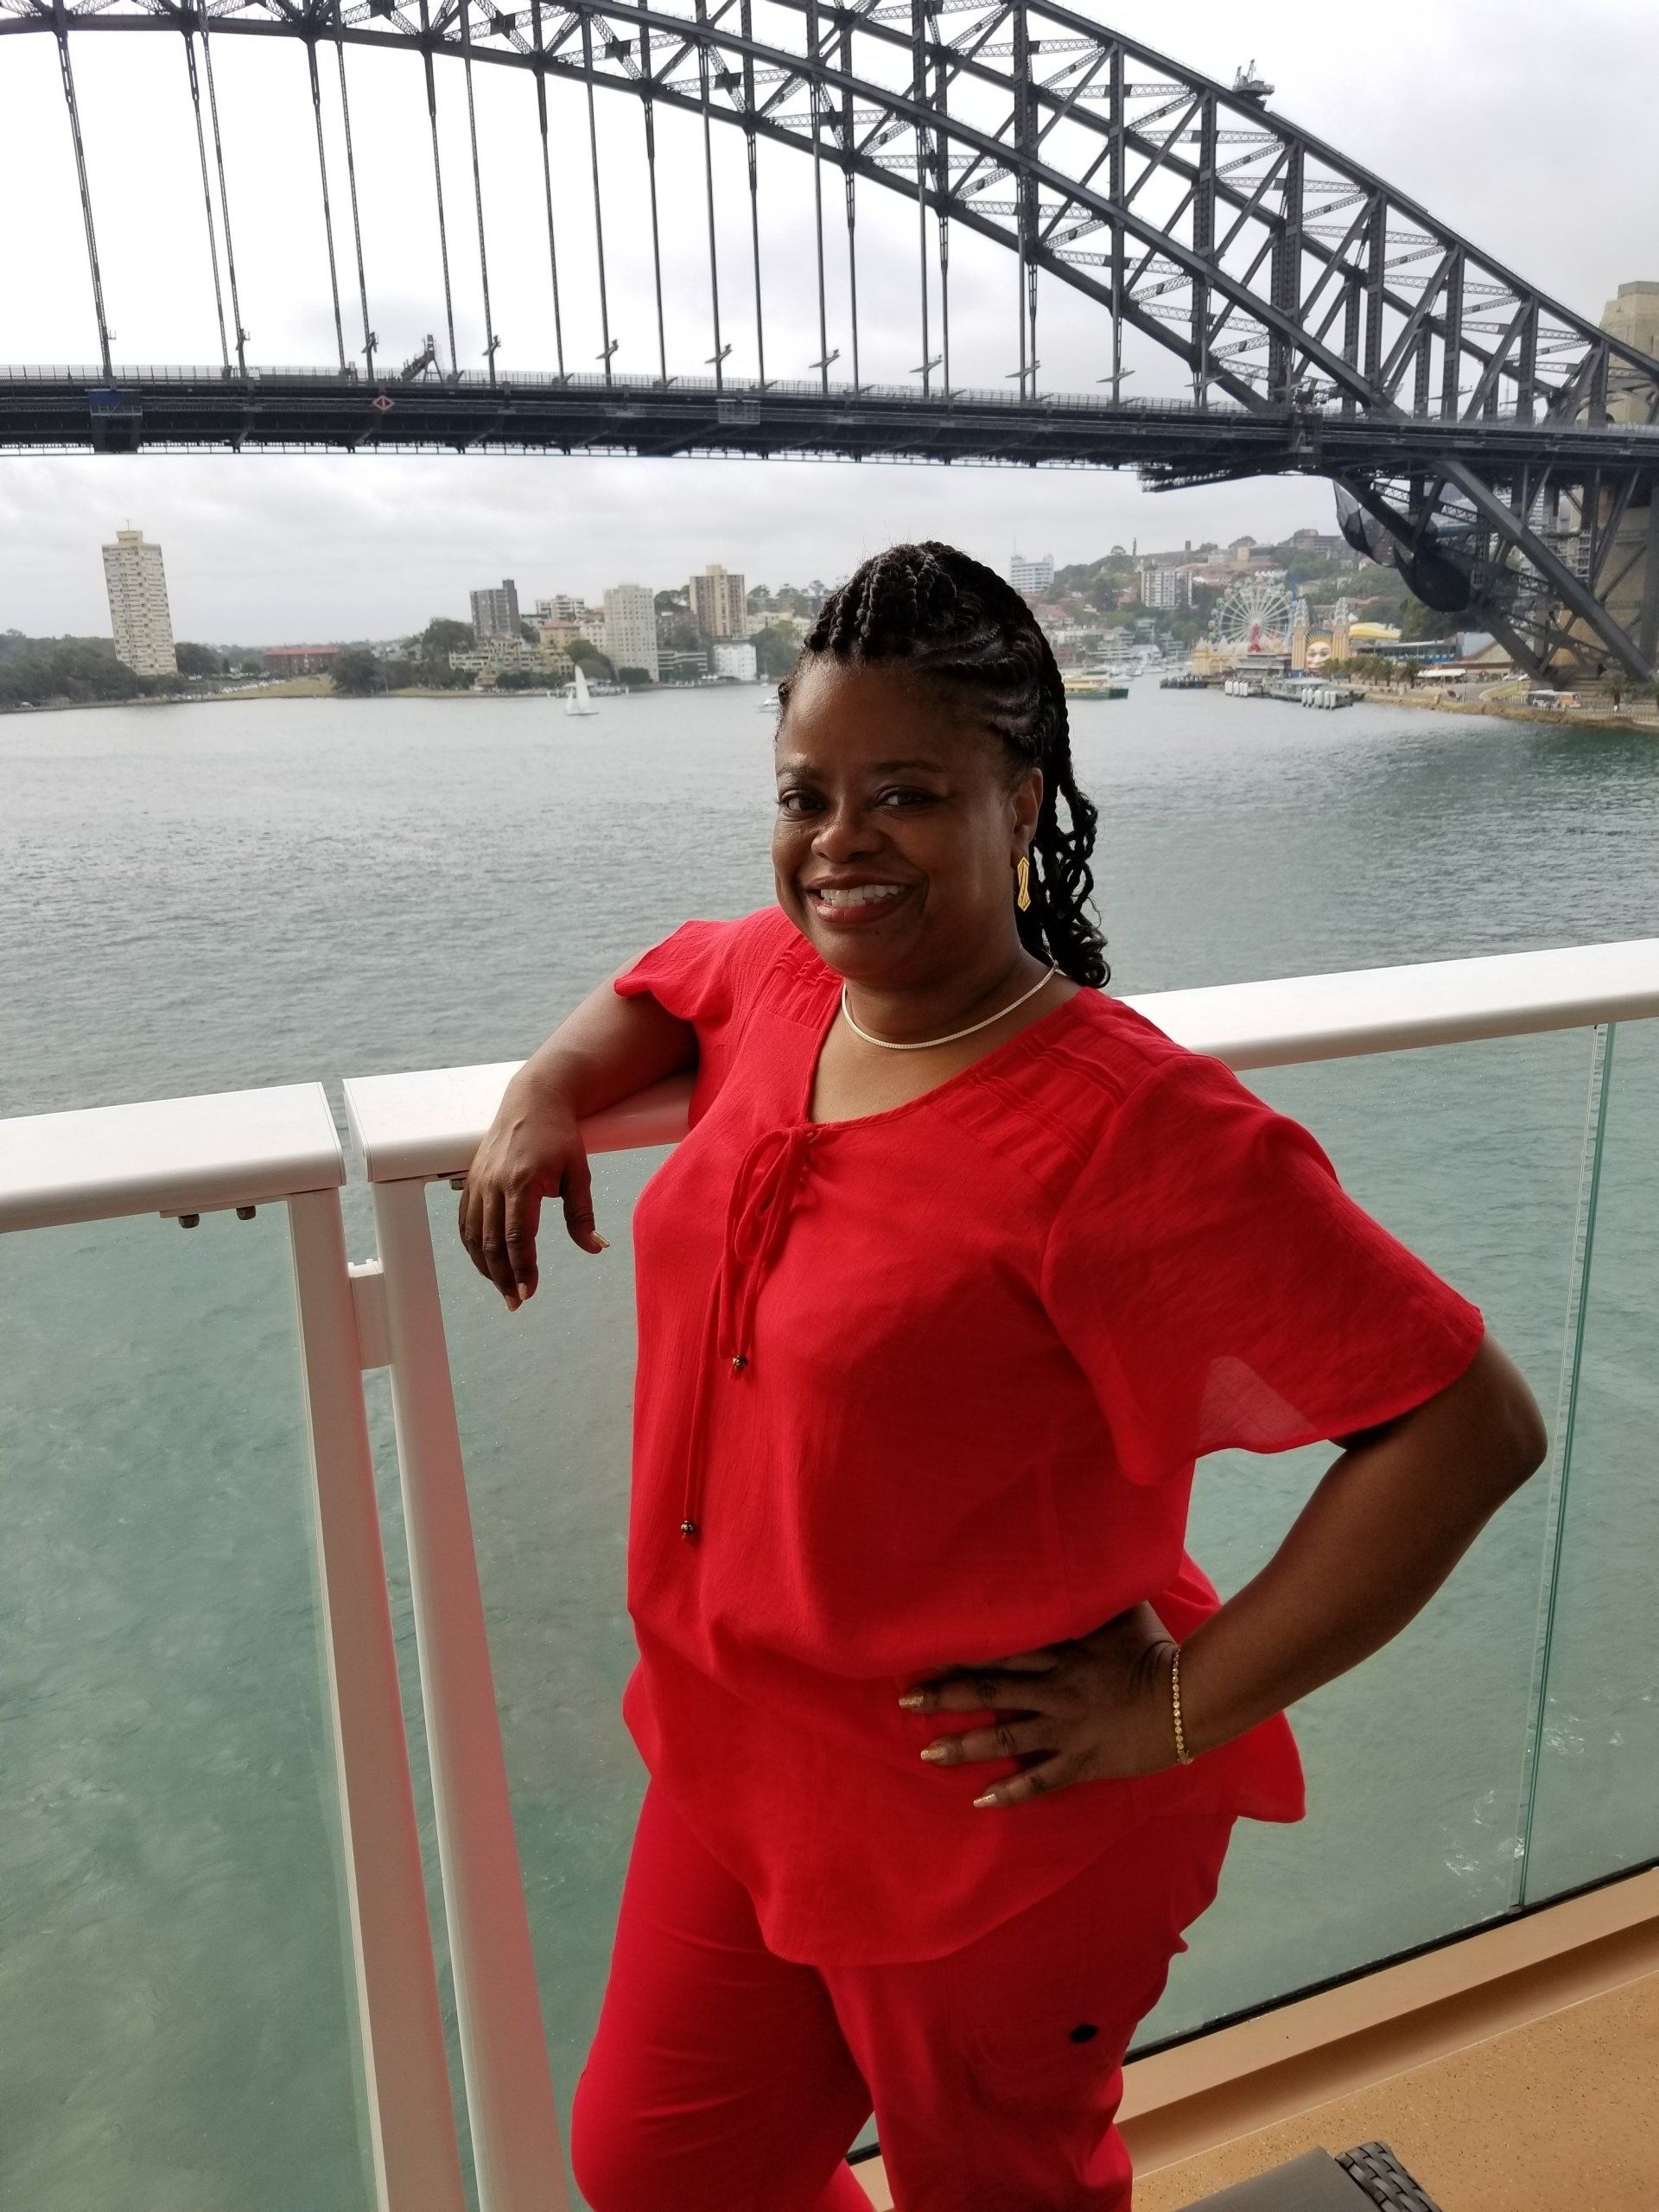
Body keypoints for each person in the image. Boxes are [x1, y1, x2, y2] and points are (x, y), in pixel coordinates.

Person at [458, 541, 1548, 2211]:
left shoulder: (1129, 1132)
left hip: (997, 1810)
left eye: (903, 794)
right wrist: (544, 1089)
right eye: (805, 794)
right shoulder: (789, 983)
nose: (839, 842)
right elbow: (662, 980)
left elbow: (1466, 1427)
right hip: (737, 1756)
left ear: (1018, 801)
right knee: (660, 2169)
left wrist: (1172, 1708)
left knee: (994, 2190)